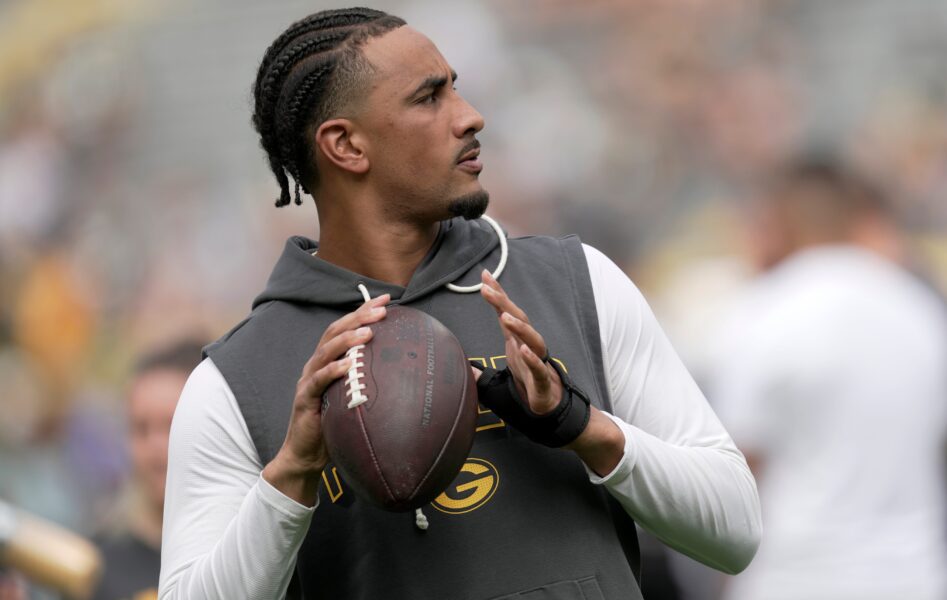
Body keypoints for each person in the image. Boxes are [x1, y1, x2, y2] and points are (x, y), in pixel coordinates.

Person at [158, 8, 761, 600]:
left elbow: (734, 531)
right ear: (346, 145)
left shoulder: (575, 281)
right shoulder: (235, 382)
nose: (471, 117)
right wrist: (292, 471)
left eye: (457, 91)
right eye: (429, 99)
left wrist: (578, 425)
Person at [711, 160, 947, 600]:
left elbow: (735, 477)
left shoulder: (766, 311)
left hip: (798, 580)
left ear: (782, 222)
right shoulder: (921, 311)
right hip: (915, 579)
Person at [93, 340, 204, 600]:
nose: (155, 447)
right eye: (141, 429)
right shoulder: (93, 566)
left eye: (171, 425)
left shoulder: (244, 549)